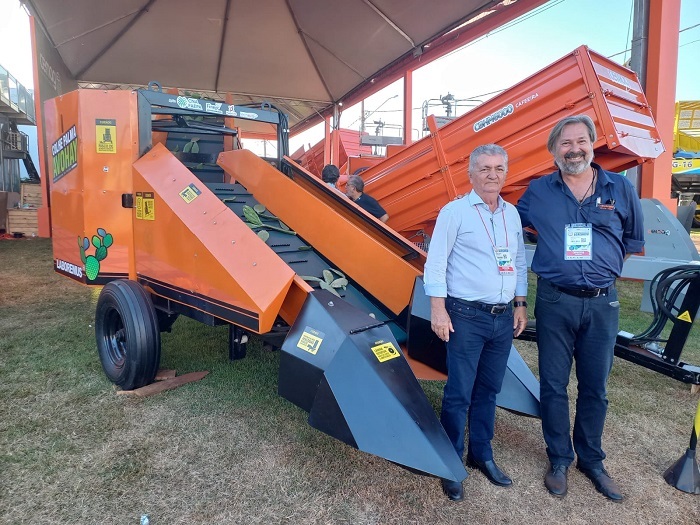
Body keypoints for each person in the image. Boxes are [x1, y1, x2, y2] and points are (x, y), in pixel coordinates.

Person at [516, 115, 644, 502]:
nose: (574, 149)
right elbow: (507, 226)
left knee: (596, 387)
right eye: (565, 144)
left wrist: (602, 271)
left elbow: (631, 240)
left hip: (604, 303)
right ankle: (559, 459)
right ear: (554, 152)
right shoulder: (539, 192)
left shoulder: (619, 188)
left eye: (580, 141)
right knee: (553, 385)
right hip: (555, 300)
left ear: (592, 144)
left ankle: (591, 460)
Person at [424, 144, 528, 501]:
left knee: (489, 390)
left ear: (506, 172)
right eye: (484, 169)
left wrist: (520, 303)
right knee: (459, 392)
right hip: (466, 317)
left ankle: (481, 453)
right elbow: (435, 263)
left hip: (502, 318)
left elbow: (518, 261)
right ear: (470, 174)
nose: (492, 175)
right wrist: (438, 309)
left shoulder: (511, 214)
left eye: (499, 168)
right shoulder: (455, 213)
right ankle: (451, 460)